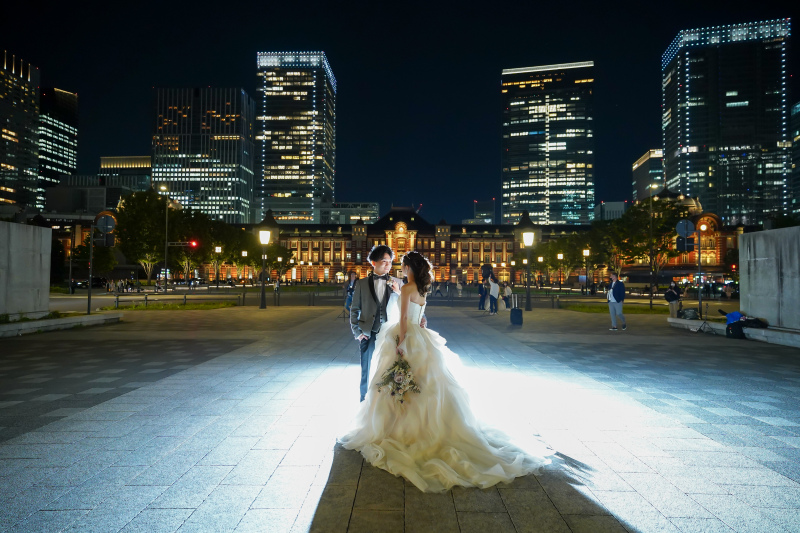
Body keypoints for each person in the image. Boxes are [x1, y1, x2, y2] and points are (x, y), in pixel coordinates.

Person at [339, 251, 552, 493]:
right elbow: (416, 313)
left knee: (398, 380)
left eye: (401, 265)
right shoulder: (418, 288)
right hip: (419, 338)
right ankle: (422, 424)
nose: (398, 268)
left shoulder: (405, 287)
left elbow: (406, 319)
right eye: (391, 263)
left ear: (409, 267)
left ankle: (396, 424)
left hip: (405, 335)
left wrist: (401, 341)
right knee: (427, 381)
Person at [349, 245, 407, 402]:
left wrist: (398, 292)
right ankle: (364, 400)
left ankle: (390, 401)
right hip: (369, 333)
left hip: (391, 333)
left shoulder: (398, 283)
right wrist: (358, 333)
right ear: (373, 262)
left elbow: (408, 306)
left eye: (390, 261)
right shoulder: (361, 284)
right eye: (384, 261)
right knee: (366, 369)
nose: (388, 264)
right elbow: (354, 309)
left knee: (392, 369)